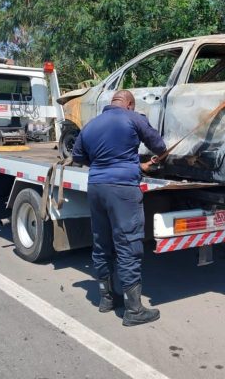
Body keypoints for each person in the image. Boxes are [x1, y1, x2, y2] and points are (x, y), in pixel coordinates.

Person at [71, 89, 167, 326]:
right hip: (122, 189)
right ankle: (134, 310)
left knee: (102, 243)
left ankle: (105, 299)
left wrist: (105, 161)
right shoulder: (133, 118)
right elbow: (159, 145)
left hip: (96, 187)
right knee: (128, 244)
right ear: (130, 105)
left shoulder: (91, 125)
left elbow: (77, 156)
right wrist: (142, 161)